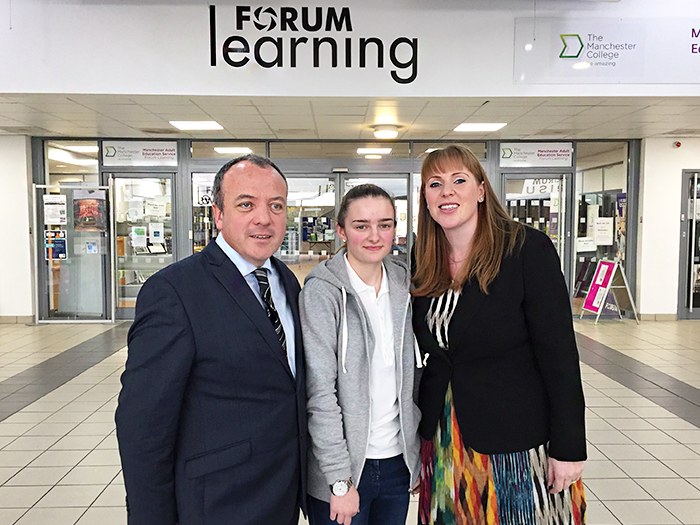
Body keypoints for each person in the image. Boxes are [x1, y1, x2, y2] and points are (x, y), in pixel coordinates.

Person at [115, 154, 306, 525]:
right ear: (218, 215)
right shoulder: (174, 292)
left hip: (281, 493)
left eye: (276, 206)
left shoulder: (287, 282)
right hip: (216, 501)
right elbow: (142, 426)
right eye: (246, 204)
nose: (263, 218)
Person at [412, 145, 587, 525]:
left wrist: (569, 446)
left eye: (459, 180)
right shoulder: (423, 259)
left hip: (517, 438)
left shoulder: (526, 249)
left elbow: (559, 355)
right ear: (425, 198)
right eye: (435, 184)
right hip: (446, 436)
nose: (447, 192)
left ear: (480, 190)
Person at [300, 184, 422, 525]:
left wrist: (412, 458)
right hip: (345, 469)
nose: (374, 236)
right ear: (341, 230)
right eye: (361, 225)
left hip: (397, 463)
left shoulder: (405, 285)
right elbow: (320, 392)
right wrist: (340, 480)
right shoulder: (322, 293)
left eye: (385, 224)